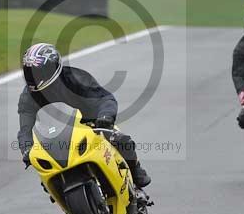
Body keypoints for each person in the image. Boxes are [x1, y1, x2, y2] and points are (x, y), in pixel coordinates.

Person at [17, 42, 151, 187]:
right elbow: (25, 128)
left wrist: (105, 116)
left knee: (122, 141)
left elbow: (105, 98)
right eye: (29, 72)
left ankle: (136, 173)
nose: (34, 76)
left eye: (38, 71)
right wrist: (26, 148)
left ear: (53, 67)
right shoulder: (28, 97)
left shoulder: (76, 78)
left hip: (92, 125)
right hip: (55, 138)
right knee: (43, 171)